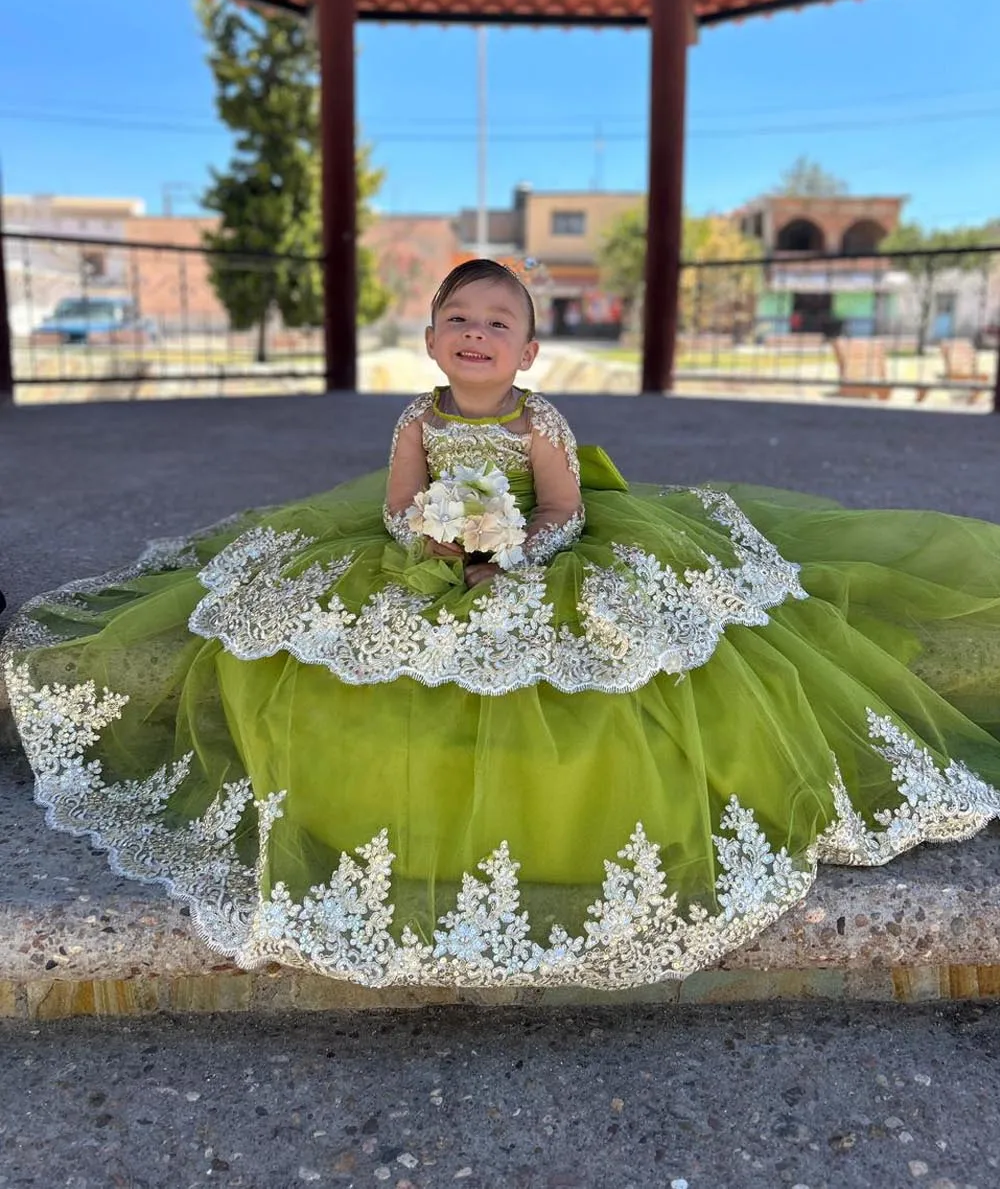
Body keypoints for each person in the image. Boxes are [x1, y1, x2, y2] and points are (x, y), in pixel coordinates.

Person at [2, 258, 999, 990]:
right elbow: (397, 504)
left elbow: (567, 508)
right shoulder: (416, 422)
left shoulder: (539, 425)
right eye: (456, 319)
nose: (475, 336)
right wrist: (428, 537)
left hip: (532, 547)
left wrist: (518, 549)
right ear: (431, 337)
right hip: (431, 558)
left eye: (497, 323)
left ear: (527, 349)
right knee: (310, 628)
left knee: (619, 643)